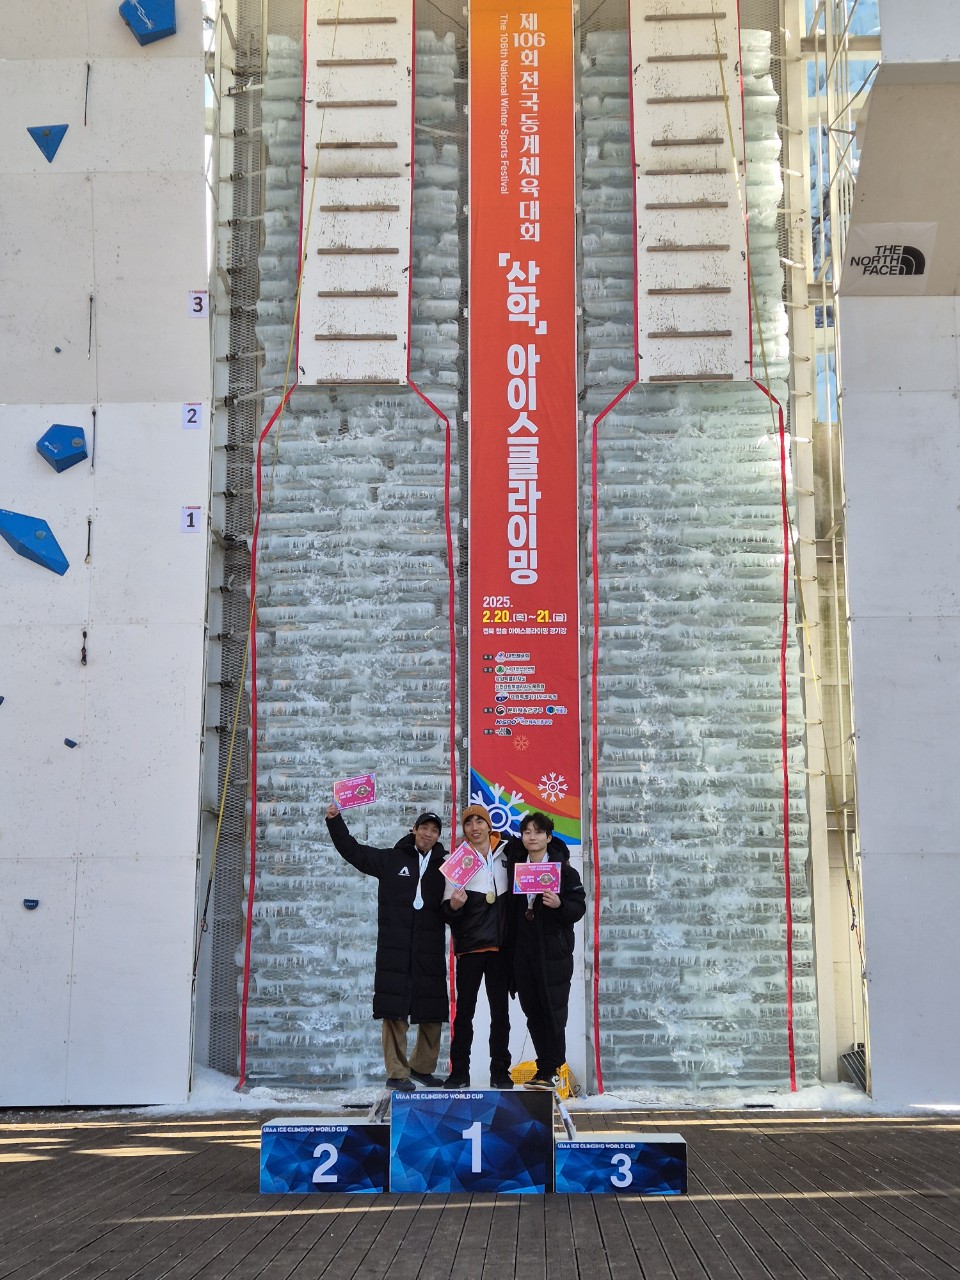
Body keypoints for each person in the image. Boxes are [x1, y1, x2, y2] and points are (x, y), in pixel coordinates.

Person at [325, 802, 449, 1091]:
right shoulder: (392, 859)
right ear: (414, 829)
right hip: (395, 949)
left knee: (432, 1011)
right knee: (395, 1011)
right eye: (424, 828)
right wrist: (334, 821)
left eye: (434, 831)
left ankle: (422, 1068)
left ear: (438, 836)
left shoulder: (445, 867)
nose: (428, 834)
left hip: (429, 949)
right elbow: (353, 851)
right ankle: (396, 1073)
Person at [504, 811, 586, 1090]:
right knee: (533, 1012)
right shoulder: (515, 868)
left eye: (538, 832)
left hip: (552, 953)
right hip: (523, 952)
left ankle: (553, 1069)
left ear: (549, 838)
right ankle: (544, 1068)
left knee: (553, 1011)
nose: (532, 837)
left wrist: (559, 905)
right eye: (527, 832)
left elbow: (578, 907)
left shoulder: (565, 871)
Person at [441, 804, 512, 1088]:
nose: (474, 827)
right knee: (464, 1015)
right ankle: (459, 1073)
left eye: (479, 821)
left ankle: (500, 1073)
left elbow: (543, 847)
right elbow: (445, 911)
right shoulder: (457, 861)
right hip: (470, 948)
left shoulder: (508, 853)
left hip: (500, 948)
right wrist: (454, 906)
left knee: (501, 1014)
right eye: (469, 823)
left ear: (488, 825)